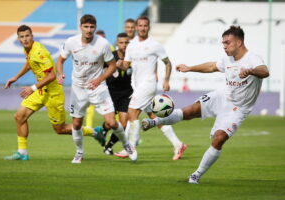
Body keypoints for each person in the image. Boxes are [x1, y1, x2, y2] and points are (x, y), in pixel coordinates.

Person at [141, 25, 270, 183]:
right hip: (222, 96)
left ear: (239, 42)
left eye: (227, 42)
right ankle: (155, 121)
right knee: (189, 111)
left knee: (219, 138)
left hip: (238, 108)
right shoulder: (227, 59)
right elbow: (211, 66)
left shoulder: (253, 59)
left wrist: (251, 71)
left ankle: (196, 175)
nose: (224, 46)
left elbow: (265, 71)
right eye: (223, 43)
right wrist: (190, 68)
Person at [4, 25, 105, 161]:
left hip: (53, 94)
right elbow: (29, 63)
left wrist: (32, 88)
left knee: (60, 129)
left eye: (27, 36)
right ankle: (22, 153)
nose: (25, 39)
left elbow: (52, 75)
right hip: (40, 91)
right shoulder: (28, 50)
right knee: (19, 117)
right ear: (19, 39)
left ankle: (93, 132)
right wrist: (16, 77)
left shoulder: (39, 52)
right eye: (22, 37)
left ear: (32, 36)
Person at [56, 14, 137, 163]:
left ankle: (127, 145)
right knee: (76, 124)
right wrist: (60, 74)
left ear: (95, 27)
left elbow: (112, 66)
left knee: (112, 122)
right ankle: (79, 152)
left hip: (98, 88)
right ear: (81, 27)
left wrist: (99, 79)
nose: (89, 30)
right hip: (78, 89)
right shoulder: (71, 42)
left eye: (92, 27)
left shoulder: (102, 44)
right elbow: (60, 60)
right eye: (86, 27)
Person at [116, 16, 186, 160]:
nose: (142, 28)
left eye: (145, 25)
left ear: (149, 27)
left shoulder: (155, 45)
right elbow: (126, 65)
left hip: (148, 84)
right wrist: (119, 64)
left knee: (132, 112)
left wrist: (166, 80)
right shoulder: (131, 45)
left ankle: (130, 147)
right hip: (137, 86)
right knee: (154, 116)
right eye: (140, 25)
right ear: (137, 27)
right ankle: (178, 144)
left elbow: (167, 63)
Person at [103, 32, 133, 155]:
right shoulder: (111, 56)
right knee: (110, 124)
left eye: (126, 42)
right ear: (117, 43)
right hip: (111, 93)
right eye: (121, 42)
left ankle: (108, 146)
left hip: (126, 94)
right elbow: (102, 70)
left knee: (124, 124)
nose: (124, 45)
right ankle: (102, 131)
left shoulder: (133, 57)